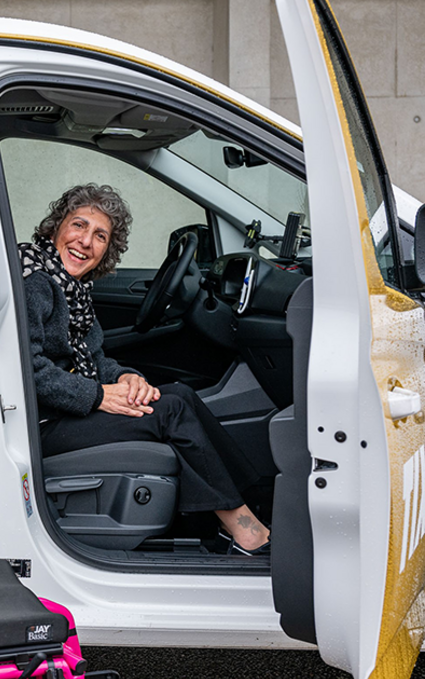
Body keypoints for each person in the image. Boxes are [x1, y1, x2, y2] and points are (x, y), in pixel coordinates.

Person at [20, 183, 270, 556]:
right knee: (169, 411)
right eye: (78, 225)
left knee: (178, 393)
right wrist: (99, 395)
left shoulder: (73, 287)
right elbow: (30, 371)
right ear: (56, 228)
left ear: (107, 249)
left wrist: (124, 377)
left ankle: (252, 507)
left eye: (99, 235)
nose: (85, 241)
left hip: (68, 408)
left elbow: (94, 357)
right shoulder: (36, 281)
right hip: (43, 424)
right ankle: (247, 532)